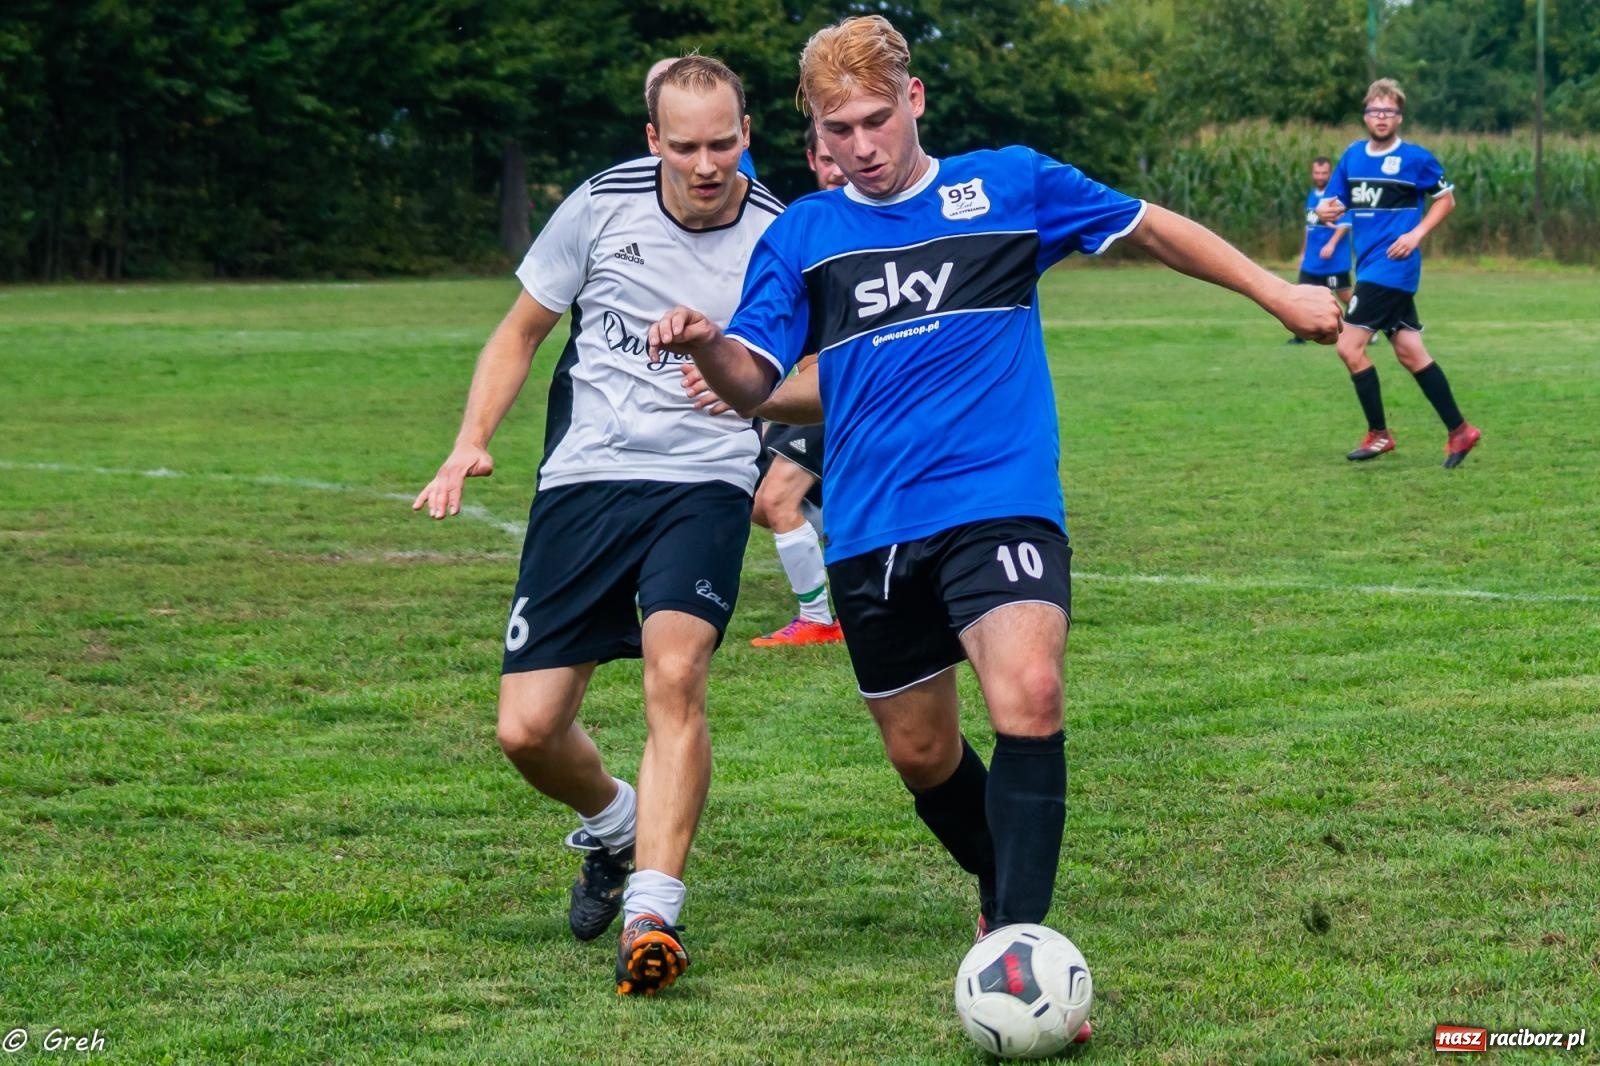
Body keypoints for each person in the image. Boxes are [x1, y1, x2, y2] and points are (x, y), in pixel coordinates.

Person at [648, 14, 1341, 1041]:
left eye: (878, 118)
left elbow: (1149, 225)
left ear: (914, 100)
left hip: (998, 496)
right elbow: (755, 380)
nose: (864, 145)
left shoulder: (1008, 184)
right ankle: (996, 869)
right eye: (839, 129)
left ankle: (1019, 945)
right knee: (923, 753)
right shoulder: (802, 236)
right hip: (873, 525)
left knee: (1030, 689)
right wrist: (708, 345)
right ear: (813, 134)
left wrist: (1277, 292)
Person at [413, 55, 783, 997]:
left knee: (677, 672)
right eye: (688, 145)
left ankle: (652, 914)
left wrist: (761, 409)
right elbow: (521, 331)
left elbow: (810, 369)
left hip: (704, 481)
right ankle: (616, 829)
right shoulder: (599, 204)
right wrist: (469, 443)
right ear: (653, 140)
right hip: (585, 482)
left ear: (749, 129)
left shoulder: (782, 233)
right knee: (528, 732)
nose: (709, 164)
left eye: (726, 141)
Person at [1316, 79, 1482, 467]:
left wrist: (1417, 233)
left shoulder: (1416, 158)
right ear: (1365, 115)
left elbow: (1446, 199)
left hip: (1394, 267)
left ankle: (1379, 435)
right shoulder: (1353, 156)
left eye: (1389, 112)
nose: (1381, 118)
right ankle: (1460, 431)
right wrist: (1327, 211)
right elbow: (1333, 202)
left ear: (1399, 117)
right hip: (1370, 262)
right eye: (1375, 111)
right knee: (1410, 353)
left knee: (1348, 346)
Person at [745, 123, 848, 646]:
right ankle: (857, 580)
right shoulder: (805, 228)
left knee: (775, 500)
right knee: (763, 498)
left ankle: (818, 618)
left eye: (842, 156)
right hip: (810, 387)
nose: (837, 167)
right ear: (811, 160)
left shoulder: (881, 223)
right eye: (826, 158)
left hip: (849, 391)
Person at [647, 57, 757, 182]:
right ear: (654, 140)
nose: (705, 169)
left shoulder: (736, 150)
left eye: (721, 146)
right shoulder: (622, 190)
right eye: (683, 148)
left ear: (744, 133)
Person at [1287, 155, 1352, 345]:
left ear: (1330, 173)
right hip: (1312, 260)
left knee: (1345, 296)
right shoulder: (1312, 196)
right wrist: (1303, 252)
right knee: (1301, 295)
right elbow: (1309, 227)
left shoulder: (1335, 197)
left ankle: (1367, 327)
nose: (1320, 176)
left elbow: (1345, 223)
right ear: (1312, 173)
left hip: (1334, 261)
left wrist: (1331, 244)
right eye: (1317, 172)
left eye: (1324, 173)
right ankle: (1299, 337)